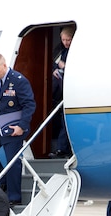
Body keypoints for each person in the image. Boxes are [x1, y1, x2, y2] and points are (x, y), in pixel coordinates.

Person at [0, 53, 36, 206]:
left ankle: (14, 197)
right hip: (0, 124)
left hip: (14, 127)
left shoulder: (18, 81)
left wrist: (21, 126)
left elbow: (29, 105)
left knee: (13, 162)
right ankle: (3, 178)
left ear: (4, 66)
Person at [49, 25, 75, 159]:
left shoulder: (75, 52)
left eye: (68, 40)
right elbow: (54, 62)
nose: (65, 43)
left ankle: (63, 148)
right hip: (61, 91)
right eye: (63, 40)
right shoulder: (62, 51)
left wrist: (65, 67)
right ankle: (61, 147)